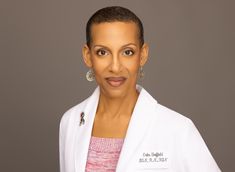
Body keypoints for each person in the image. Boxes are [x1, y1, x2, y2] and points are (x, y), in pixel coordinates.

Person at [59, 6, 221, 172]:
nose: (115, 67)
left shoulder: (178, 129)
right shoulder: (70, 122)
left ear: (142, 55)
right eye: (102, 52)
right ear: (88, 56)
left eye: (128, 52)